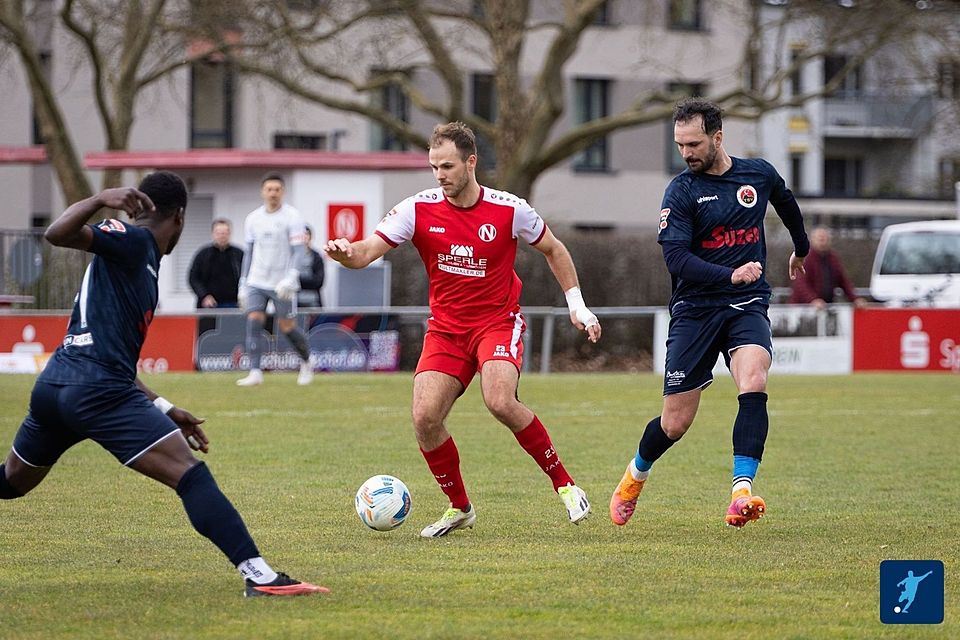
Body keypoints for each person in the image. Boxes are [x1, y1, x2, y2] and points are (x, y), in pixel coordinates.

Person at [0, 172, 326, 597]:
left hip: (56, 384)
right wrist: (100, 198)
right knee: (191, 477)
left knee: (11, 482)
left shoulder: (139, 258)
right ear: (180, 217)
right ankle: (260, 577)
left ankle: (260, 576)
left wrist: (165, 407)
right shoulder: (135, 241)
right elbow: (56, 234)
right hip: (98, 391)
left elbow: (114, 360)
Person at [325, 122, 602, 538]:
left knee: (500, 400)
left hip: (497, 324)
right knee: (425, 417)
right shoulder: (417, 209)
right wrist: (346, 253)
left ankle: (565, 485)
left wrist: (576, 306)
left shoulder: (510, 209)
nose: (439, 175)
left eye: (447, 166)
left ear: (471, 163)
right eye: (434, 167)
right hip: (446, 332)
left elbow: (554, 249)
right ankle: (459, 508)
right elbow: (365, 252)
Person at [609, 98, 810, 529]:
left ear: (718, 137)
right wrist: (729, 274)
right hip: (695, 311)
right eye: (680, 145)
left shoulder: (757, 174)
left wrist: (802, 247)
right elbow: (676, 260)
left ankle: (741, 492)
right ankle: (635, 475)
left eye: (694, 144)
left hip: (746, 303)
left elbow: (786, 200)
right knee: (675, 423)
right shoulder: (681, 191)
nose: (686, 153)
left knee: (754, 379)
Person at [236, 172, 313, 386]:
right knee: (254, 320)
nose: (273, 194)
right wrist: (243, 282)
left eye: (277, 190)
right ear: (263, 192)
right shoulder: (253, 219)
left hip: (282, 283)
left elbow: (298, 251)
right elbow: (249, 252)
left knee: (287, 326)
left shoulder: (292, 217)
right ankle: (255, 371)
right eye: (269, 189)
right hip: (257, 280)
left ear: (283, 192)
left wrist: (292, 276)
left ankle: (307, 361)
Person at [788, 226, 867, 309]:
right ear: (812, 240)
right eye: (820, 239)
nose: (823, 242)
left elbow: (843, 281)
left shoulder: (833, 258)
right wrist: (812, 300)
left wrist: (855, 299)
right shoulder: (805, 258)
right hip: (803, 307)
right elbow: (801, 283)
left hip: (825, 306)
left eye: (825, 239)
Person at [188, 218, 244, 309]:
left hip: (235, 304)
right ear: (213, 234)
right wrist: (204, 296)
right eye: (218, 233)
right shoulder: (203, 254)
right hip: (209, 305)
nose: (222, 236)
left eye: (224, 233)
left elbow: (247, 277)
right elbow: (193, 278)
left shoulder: (239, 254)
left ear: (229, 234)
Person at [296, 225, 325, 308]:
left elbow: (319, 281)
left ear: (311, 236)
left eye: (306, 234)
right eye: (301, 234)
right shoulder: (291, 256)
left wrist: (297, 280)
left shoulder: (316, 257)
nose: (304, 237)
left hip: (313, 300)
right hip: (294, 301)